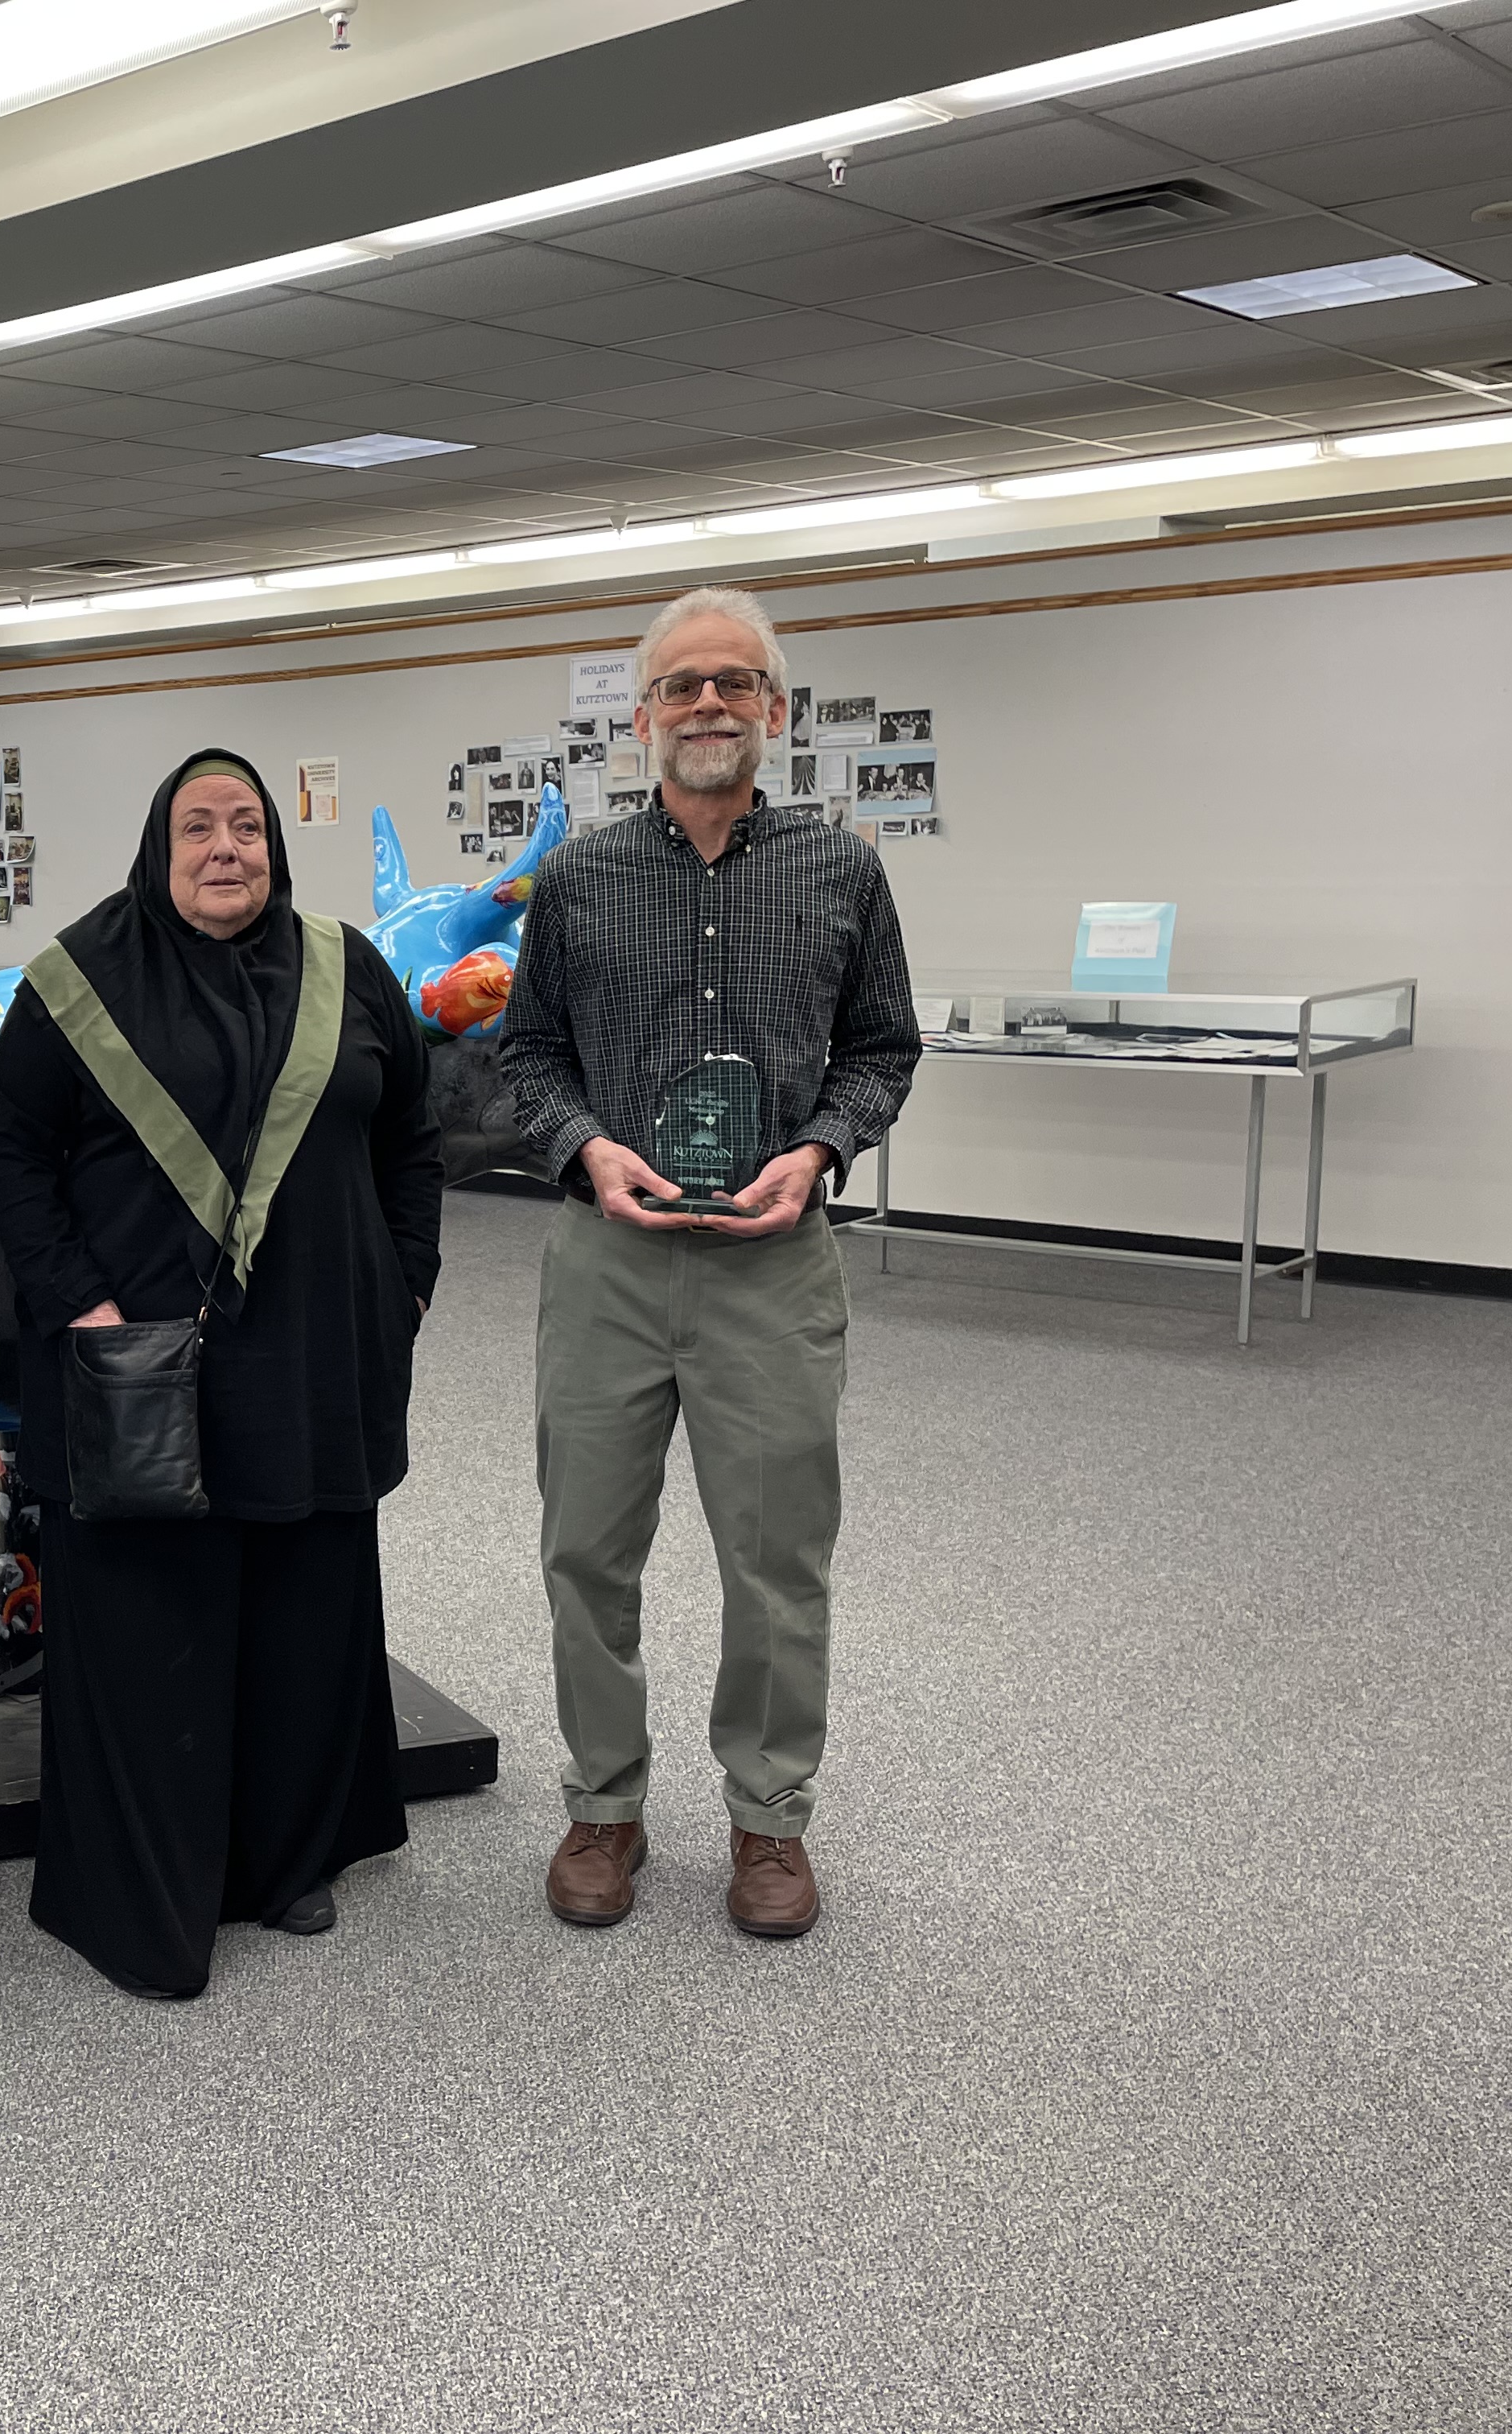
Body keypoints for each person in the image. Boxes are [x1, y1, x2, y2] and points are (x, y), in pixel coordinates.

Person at [0, 749, 442, 1999]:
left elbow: (411, 1135)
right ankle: (153, 1876)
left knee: (300, 1601)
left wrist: (400, 1286)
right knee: (151, 1616)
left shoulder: (349, 969)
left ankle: (290, 1858)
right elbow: (9, 1147)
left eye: (247, 825)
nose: (225, 847)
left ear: (276, 850)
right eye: (197, 827)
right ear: (155, 846)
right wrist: (80, 1302)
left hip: (314, 1352)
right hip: (138, 1355)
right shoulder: (79, 979)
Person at [493, 585, 920, 1940]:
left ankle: (770, 1824)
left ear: (776, 712)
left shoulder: (843, 872)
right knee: (586, 1552)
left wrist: (824, 1149)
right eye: (683, 687)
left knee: (777, 1559)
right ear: (644, 717)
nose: (710, 706)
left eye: (737, 684)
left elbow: (883, 1047)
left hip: (773, 1263)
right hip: (610, 1263)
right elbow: (526, 1053)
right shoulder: (577, 879)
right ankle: (603, 1808)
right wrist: (583, 1148)